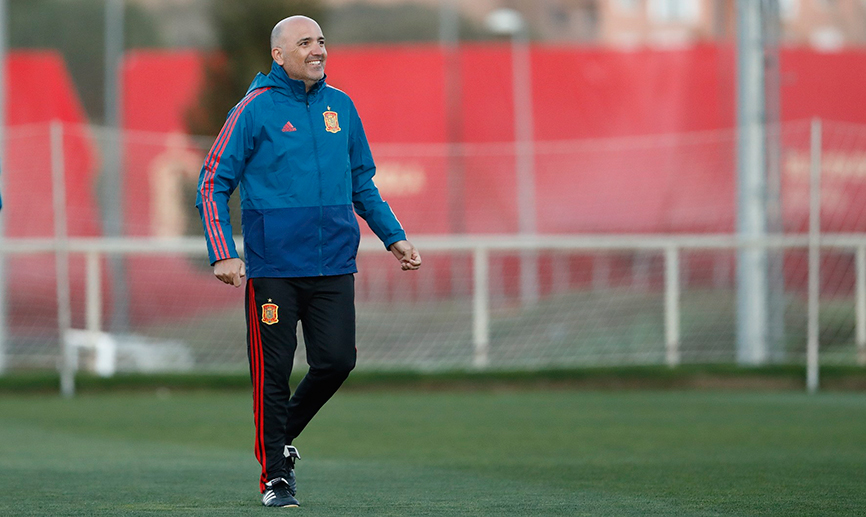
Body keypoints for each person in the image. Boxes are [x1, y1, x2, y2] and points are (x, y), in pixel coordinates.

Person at [195, 15, 421, 508]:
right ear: (278, 55)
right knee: (272, 373)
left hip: (334, 263)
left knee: (338, 361)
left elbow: (363, 183)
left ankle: (276, 438)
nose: (318, 49)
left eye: (321, 41)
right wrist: (222, 253)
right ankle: (276, 477)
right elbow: (212, 181)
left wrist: (394, 237)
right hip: (274, 269)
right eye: (305, 43)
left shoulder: (341, 106)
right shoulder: (253, 109)